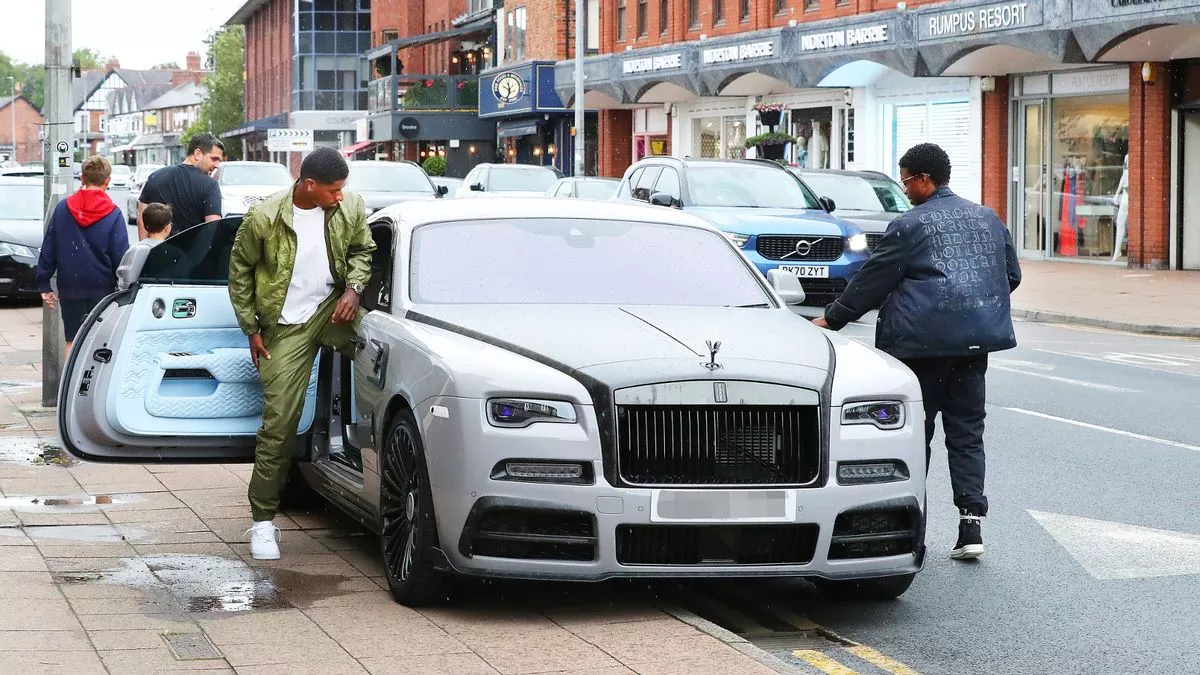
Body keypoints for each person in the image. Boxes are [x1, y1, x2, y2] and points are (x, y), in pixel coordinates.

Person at [812, 143, 1021, 561]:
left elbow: (874, 279)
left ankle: (916, 530)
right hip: (972, 346)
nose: (905, 189)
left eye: (907, 181)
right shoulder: (987, 218)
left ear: (925, 179)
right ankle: (970, 526)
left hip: (919, 350)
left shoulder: (910, 225)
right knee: (966, 433)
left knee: (915, 437)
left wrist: (832, 319)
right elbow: (1011, 275)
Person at [228, 147, 375, 560]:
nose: (341, 196)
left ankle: (371, 450)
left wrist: (354, 288)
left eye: (343, 189)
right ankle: (262, 522)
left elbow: (363, 252)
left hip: (333, 308)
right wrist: (252, 329)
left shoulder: (351, 207)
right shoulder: (265, 217)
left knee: (385, 348)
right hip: (285, 325)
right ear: (309, 185)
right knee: (279, 422)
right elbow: (239, 271)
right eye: (334, 189)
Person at [36, 155, 129, 357]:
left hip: (70, 285)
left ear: (82, 178)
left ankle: (69, 386)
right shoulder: (113, 213)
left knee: (72, 339)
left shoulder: (63, 209)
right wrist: (124, 287)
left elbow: (49, 248)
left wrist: (44, 283)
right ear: (108, 180)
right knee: (99, 339)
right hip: (102, 286)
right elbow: (120, 256)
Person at [137, 133, 224, 239]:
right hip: (192, 254)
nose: (217, 165)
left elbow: (141, 220)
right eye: (214, 159)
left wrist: (145, 250)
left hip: (158, 252)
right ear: (197, 154)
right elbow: (213, 227)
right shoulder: (210, 185)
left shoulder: (155, 177)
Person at [116, 202, 173, 290]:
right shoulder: (175, 253)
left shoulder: (134, 251)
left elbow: (123, 278)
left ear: (145, 226)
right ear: (168, 228)